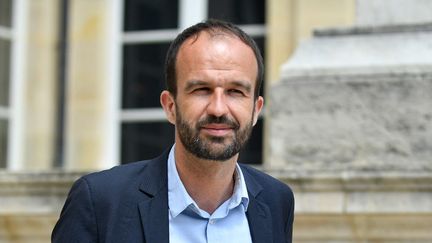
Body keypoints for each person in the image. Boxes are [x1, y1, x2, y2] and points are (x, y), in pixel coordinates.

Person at [52, 19, 294, 243]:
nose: (218, 108)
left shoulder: (276, 201)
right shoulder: (100, 202)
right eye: (201, 89)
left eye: (236, 91)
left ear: (255, 110)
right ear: (170, 106)